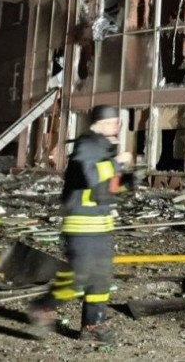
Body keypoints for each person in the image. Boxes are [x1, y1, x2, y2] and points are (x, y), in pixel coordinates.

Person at [28, 105, 131, 342]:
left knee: (101, 277)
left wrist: (128, 177)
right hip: (81, 225)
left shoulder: (105, 148)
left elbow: (108, 187)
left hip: (102, 225)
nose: (117, 126)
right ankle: (42, 307)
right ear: (102, 123)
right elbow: (90, 175)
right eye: (114, 121)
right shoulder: (87, 144)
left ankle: (92, 326)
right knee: (79, 276)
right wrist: (117, 162)